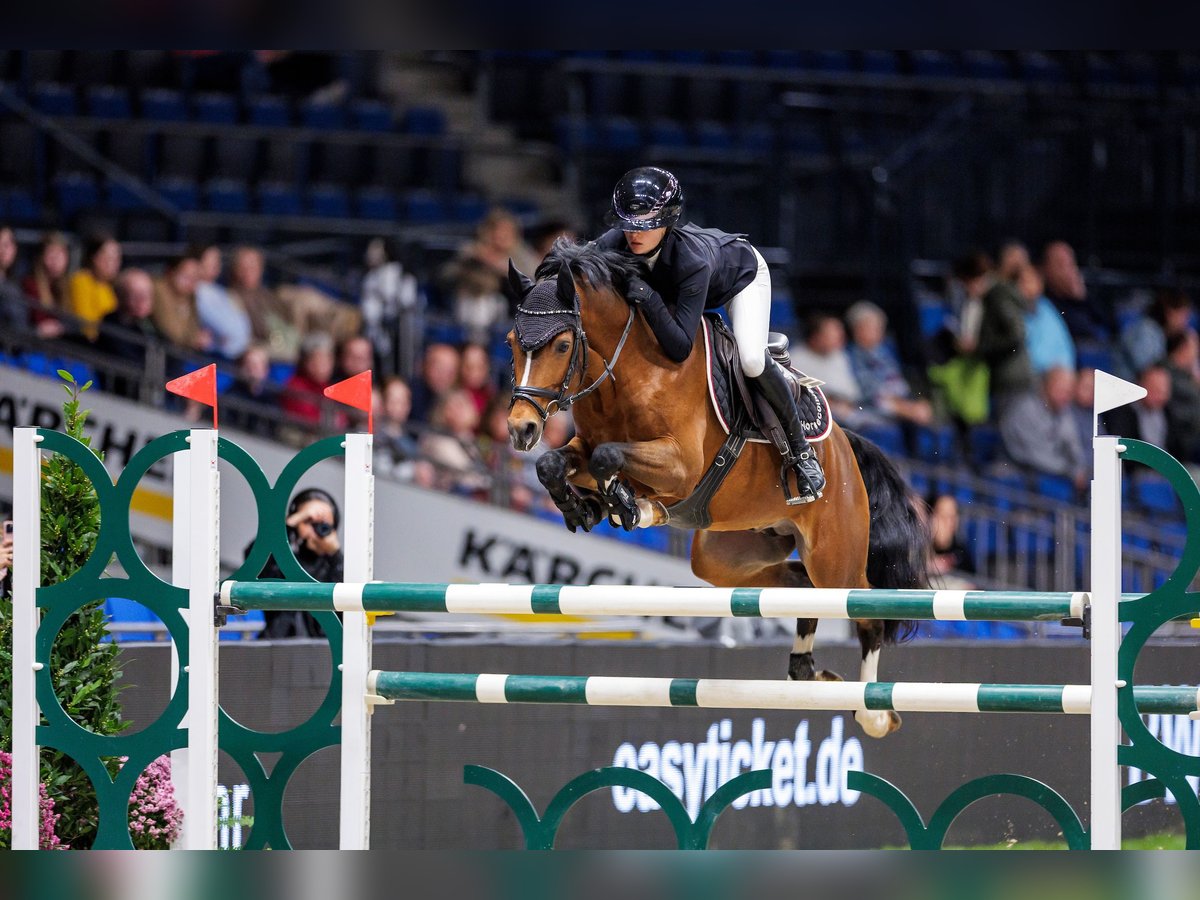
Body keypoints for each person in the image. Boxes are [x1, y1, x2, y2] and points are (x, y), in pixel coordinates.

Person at [595, 166, 824, 504]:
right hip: (676, 291)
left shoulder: (692, 261)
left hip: (739, 279)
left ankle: (802, 454)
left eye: (645, 226)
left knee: (750, 359)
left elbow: (679, 346)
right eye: (628, 225)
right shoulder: (613, 243)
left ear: (669, 220)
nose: (633, 235)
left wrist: (647, 294)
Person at [249, 487, 343, 639]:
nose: (315, 530)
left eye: (323, 524)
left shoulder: (336, 565)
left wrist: (335, 554)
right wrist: (290, 523)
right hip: (279, 647)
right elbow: (254, 562)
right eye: (308, 522)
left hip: (325, 650)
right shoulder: (283, 560)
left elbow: (357, 598)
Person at [845, 300, 933, 429]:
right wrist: (905, 409)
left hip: (901, 403)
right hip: (872, 407)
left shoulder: (884, 351)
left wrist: (915, 403)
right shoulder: (852, 356)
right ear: (857, 329)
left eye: (881, 328)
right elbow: (868, 393)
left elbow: (899, 381)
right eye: (874, 328)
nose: (880, 332)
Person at [998, 366, 1088, 490]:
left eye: (1069, 392)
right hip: (1024, 469)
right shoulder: (1025, 410)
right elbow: (1034, 455)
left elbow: (1073, 445)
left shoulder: (1063, 411)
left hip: (1055, 472)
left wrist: (1079, 469)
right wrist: (1071, 472)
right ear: (1046, 386)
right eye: (1060, 390)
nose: (1065, 396)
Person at [97, 269, 161, 398]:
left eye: (146, 293)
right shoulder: (111, 323)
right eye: (135, 294)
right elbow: (128, 361)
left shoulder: (150, 326)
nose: (142, 299)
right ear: (121, 295)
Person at [193, 243, 252, 360]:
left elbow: (243, 326)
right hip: (211, 356)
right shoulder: (197, 290)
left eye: (217, 259)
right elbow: (225, 329)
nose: (216, 263)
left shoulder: (221, 291)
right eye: (210, 259)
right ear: (198, 262)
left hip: (234, 352)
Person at [1016, 263, 1076, 376]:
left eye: (1032, 281)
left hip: (1053, 379)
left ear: (1040, 285)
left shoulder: (1047, 309)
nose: (1028, 287)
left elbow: (1065, 353)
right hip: (1024, 379)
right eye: (1023, 282)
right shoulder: (1011, 310)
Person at [152, 253, 212, 354]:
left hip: (185, 353)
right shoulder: (158, 289)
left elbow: (194, 326)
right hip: (164, 353)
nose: (191, 282)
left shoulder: (189, 296)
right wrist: (194, 339)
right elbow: (169, 330)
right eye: (186, 276)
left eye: (195, 278)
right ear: (170, 272)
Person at [67, 233, 122, 341]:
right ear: (94, 258)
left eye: (117, 258)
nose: (115, 263)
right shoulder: (81, 281)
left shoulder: (111, 287)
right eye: (109, 258)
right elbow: (86, 326)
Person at [224, 343, 281, 438]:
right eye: (248, 364)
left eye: (257, 365)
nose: (252, 369)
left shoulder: (271, 402)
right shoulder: (231, 396)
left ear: (266, 370)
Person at [21, 231, 71, 339]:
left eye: (61, 253)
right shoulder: (29, 285)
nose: (56, 259)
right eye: (51, 253)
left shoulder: (68, 287)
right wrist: (37, 331)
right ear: (41, 257)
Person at [409, 342, 461, 424]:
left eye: (450, 371)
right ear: (424, 366)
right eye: (439, 368)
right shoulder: (409, 395)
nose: (444, 376)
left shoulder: (456, 398)